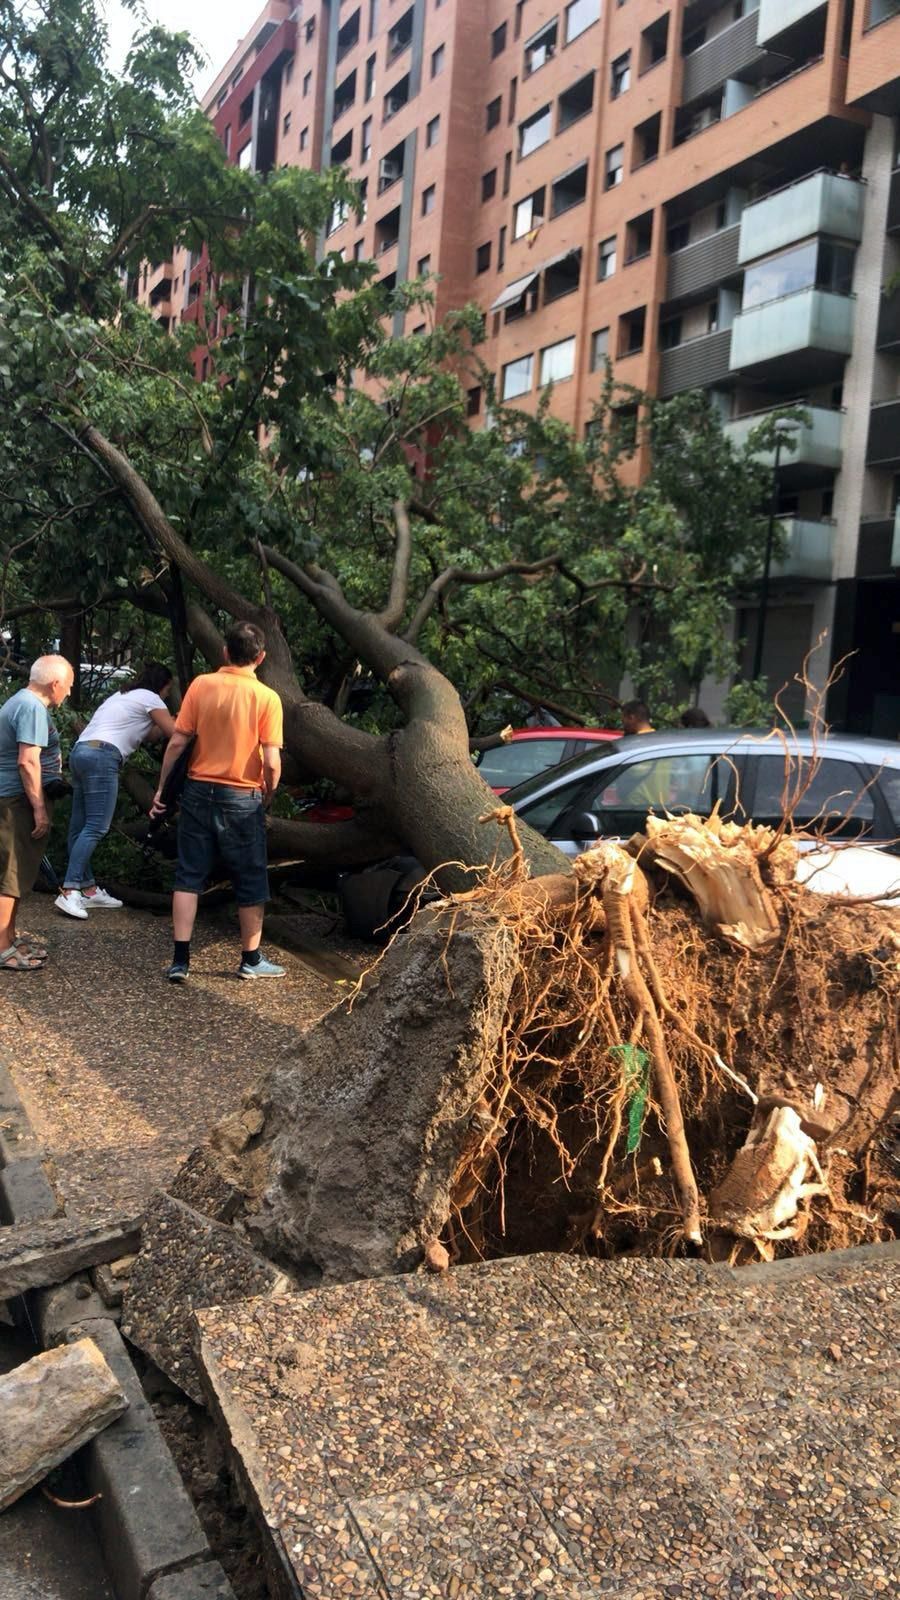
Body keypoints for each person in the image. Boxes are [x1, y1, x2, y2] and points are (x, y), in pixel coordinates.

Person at [150, 621, 284, 983]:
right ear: (261, 658)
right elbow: (271, 760)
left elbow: (177, 743)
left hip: (196, 791)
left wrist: (163, 790)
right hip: (242, 795)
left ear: (225, 652)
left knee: (189, 874)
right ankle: (251, 960)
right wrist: (268, 792)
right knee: (250, 876)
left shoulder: (202, 685)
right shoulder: (267, 698)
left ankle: (180, 960)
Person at [56, 662, 177, 920]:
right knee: (97, 827)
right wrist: (186, 721)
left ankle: (87, 889)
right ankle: (69, 890)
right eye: (168, 690)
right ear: (163, 686)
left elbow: (152, 735)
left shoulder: (123, 695)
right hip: (103, 756)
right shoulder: (151, 697)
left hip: (82, 752)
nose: (167, 695)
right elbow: (174, 734)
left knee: (80, 827)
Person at [0, 655, 74, 971]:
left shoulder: (21, 701)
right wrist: (39, 809)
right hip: (17, 801)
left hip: (15, 799)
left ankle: (9, 938)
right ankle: (2, 949)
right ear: (54, 683)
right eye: (68, 686)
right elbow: (27, 761)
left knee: (16, 875)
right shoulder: (31, 707)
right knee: (10, 876)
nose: (69, 693)